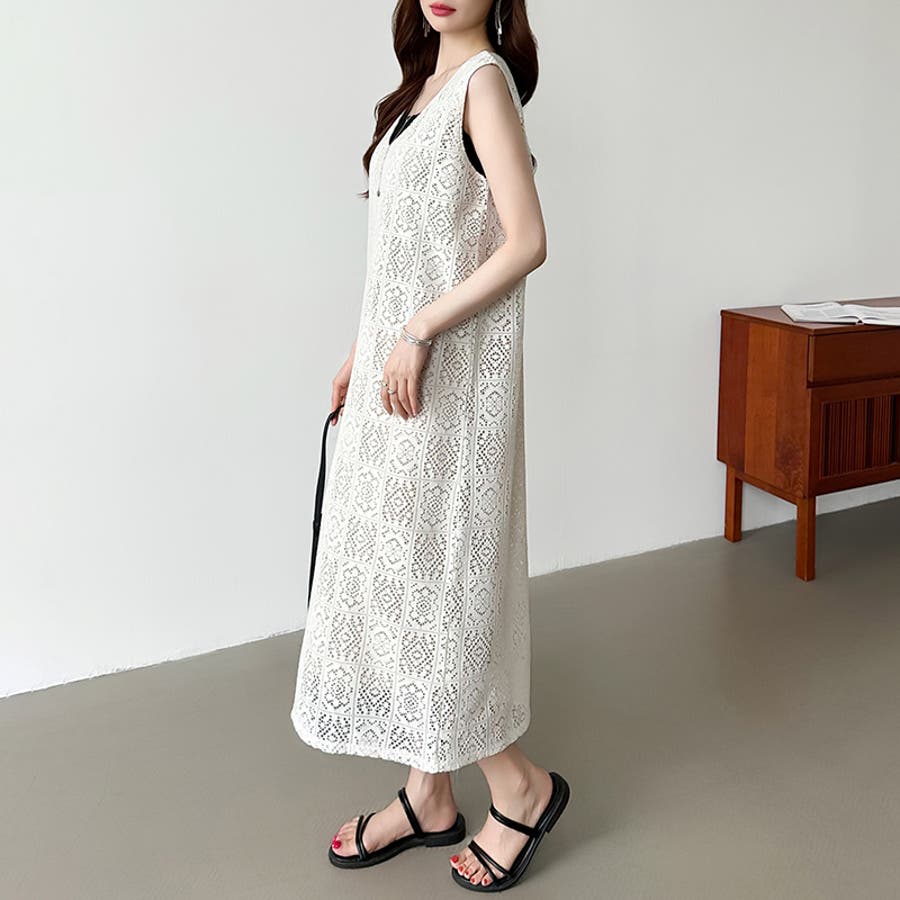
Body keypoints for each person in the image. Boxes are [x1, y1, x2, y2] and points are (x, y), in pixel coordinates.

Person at [290, 0, 569, 890]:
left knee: (437, 583)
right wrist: (361, 347)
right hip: (398, 377)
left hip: (446, 386)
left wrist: (416, 332)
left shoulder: (483, 84)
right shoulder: (421, 90)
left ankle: (519, 788)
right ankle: (429, 793)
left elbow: (527, 241)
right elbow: (403, 250)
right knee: (402, 574)